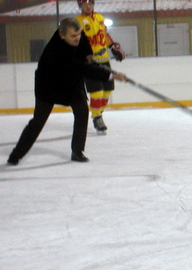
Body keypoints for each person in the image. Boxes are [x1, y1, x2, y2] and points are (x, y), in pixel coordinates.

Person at [7, 18, 127, 165]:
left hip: (71, 82)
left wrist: (88, 54)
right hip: (48, 86)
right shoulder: (56, 52)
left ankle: (77, 151)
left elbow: (84, 44)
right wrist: (111, 75)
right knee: (37, 122)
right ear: (61, 35)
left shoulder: (77, 36)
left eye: (79, 34)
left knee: (82, 112)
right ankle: (16, 154)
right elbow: (83, 69)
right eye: (73, 36)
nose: (77, 37)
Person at [75, 0, 126, 134]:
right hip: (89, 64)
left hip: (104, 61)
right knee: (96, 92)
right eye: (85, 4)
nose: (88, 6)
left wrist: (114, 47)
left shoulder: (99, 17)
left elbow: (105, 34)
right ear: (80, 6)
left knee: (107, 91)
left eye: (90, 3)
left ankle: (99, 113)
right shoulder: (77, 22)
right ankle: (97, 117)